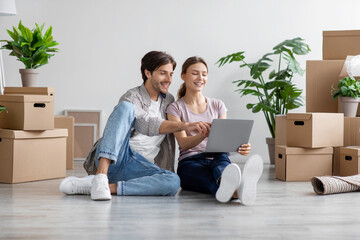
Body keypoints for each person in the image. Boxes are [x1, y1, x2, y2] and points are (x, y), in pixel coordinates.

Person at [59, 51, 212, 201]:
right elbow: (145, 123)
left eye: (171, 74)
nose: (168, 79)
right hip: (119, 156)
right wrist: (186, 125)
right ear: (148, 73)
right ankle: (101, 176)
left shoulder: (169, 101)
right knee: (125, 107)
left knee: (173, 181)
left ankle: (105, 187)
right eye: (163, 73)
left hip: (139, 167)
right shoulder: (132, 97)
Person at [166, 56, 263, 205]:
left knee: (221, 162)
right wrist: (202, 135)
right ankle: (238, 189)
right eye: (195, 73)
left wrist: (240, 147)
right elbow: (183, 144)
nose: (200, 78)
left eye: (204, 74)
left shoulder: (218, 105)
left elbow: (223, 142)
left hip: (217, 156)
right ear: (183, 75)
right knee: (206, 177)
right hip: (190, 162)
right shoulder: (175, 108)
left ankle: (231, 188)